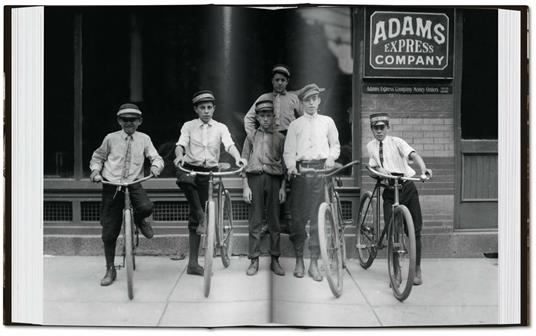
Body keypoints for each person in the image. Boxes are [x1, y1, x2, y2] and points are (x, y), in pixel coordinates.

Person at [174, 90, 247, 276]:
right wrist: (180, 156)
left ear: (214, 108)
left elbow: (228, 144)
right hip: (191, 167)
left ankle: (200, 219)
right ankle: (201, 218)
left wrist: (238, 158)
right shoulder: (189, 126)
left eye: (209, 107)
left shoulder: (220, 127)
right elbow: (180, 144)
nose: (206, 111)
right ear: (196, 110)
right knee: (184, 179)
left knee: (198, 213)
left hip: (209, 171)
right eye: (202, 108)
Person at [89, 103, 164, 286]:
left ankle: (139, 220)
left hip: (133, 183)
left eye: (133, 120)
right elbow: (98, 157)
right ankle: (110, 269)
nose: (129, 123)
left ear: (140, 121)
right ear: (119, 121)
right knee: (109, 231)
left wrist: (156, 166)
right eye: (125, 120)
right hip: (112, 185)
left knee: (146, 207)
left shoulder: (144, 139)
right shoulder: (111, 138)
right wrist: (95, 171)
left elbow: (156, 157)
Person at [366, 112, 432, 286]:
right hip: (389, 190)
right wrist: (381, 173)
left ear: (388, 127)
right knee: (393, 233)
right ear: (371, 129)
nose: (379, 131)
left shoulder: (397, 142)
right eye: (375, 128)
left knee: (414, 230)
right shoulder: (370, 146)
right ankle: (396, 272)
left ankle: (417, 269)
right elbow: (372, 166)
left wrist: (424, 170)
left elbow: (414, 156)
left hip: (407, 188)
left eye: (382, 127)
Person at [283, 83, 340, 281]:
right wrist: (291, 167)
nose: (311, 103)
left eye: (314, 99)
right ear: (302, 102)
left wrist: (331, 158)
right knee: (298, 219)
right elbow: (289, 152)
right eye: (307, 100)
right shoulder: (295, 125)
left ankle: (314, 263)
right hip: (302, 174)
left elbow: (335, 146)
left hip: (321, 173)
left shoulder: (327, 122)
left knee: (318, 219)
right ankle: (299, 259)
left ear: (319, 100)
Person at [242, 97, 286, 276]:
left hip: (274, 180)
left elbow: (285, 164)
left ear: (274, 117)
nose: (266, 119)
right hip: (255, 180)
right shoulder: (251, 136)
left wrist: (283, 187)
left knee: (275, 221)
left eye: (269, 115)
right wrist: (245, 186)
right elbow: (243, 162)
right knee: (255, 220)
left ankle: (275, 259)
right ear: (258, 118)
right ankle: (254, 259)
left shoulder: (281, 137)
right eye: (262, 116)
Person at [243, 64, 301, 136]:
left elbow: (303, 119)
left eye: (283, 80)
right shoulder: (264, 97)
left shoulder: (293, 98)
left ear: (287, 82)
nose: (280, 83)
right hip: (269, 137)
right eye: (277, 80)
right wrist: (253, 137)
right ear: (272, 81)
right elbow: (249, 118)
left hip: (289, 137)